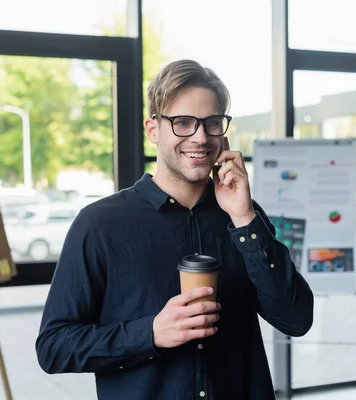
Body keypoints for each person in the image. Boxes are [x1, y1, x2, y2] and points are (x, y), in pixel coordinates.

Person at [35, 59, 314, 399]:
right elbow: (53, 347)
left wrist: (244, 219)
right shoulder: (99, 224)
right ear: (153, 129)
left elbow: (296, 319)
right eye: (182, 122)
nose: (200, 137)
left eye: (212, 123)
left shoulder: (245, 218)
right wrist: (149, 333)